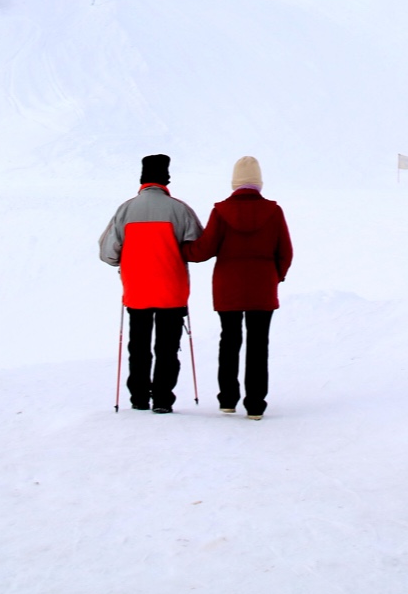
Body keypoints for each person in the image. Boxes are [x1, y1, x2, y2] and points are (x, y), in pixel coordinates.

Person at [184, 156, 293, 420]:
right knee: (258, 344)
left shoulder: (221, 211)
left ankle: (228, 400)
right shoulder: (274, 212)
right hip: (262, 289)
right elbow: (286, 252)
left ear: (234, 183)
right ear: (259, 183)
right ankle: (255, 405)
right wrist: (274, 277)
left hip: (227, 288)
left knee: (229, 341)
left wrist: (180, 249)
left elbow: (204, 249)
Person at [98, 153, 202, 413]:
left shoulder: (126, 210)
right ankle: (163, 400)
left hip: (137, 290)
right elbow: (197, 246)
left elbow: (108, 251)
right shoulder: (180, 209)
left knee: (139, 346)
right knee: (168, 347)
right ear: (166, 179)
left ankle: (139, 398)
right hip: (172, 290)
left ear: (143, 179)